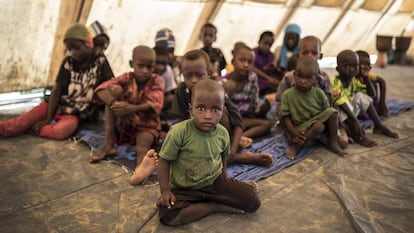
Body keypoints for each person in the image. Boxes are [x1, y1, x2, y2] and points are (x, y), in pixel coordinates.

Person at [156, 79, 261, 225]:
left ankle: (214, 199)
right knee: (168, 215)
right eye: (201, 108)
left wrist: (225, 181)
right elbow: (164, 161)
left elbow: (223, 158)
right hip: (184, 188)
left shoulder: (223, 133)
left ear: (222, 110)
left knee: (253, 201)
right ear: (190, 109)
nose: (207, 115)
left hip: (214, 183)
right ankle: (214, 206)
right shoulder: (178, 132)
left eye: (215, 109)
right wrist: (165, 191)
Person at [0, 23, 113, 139]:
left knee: (59, 132)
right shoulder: (68, 62)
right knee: (20, 122)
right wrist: (48, 118)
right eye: (69, 49)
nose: (73, 52)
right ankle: (10, 128)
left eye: (76, 48)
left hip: (75, 114)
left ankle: (31, 128)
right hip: (53, 106)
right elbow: (57, 90)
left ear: (88, 44)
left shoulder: (101, 62)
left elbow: (111, 84)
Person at [170, 49, 273, 167]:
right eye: (188, 76)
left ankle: (232, 156)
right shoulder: (182, 91)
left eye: (199, 75)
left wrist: (232, 151)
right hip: (195, 137)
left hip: (218, 139)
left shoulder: (216, 91)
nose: (194, 80)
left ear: (208, 73)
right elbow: (180, 122)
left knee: (221, 111)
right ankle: (238, 158)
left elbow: (238, 122)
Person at [90, 45, 164, 185]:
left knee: (142, 146)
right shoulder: (127, 77)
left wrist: (131, 108)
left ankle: (141, 170)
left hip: (147, 126)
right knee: (114, 90)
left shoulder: (157, 80)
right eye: (141, 66)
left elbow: (156, 104)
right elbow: (100, 89)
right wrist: (114, 103)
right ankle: (108, 143)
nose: (145, 71)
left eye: (150, 67)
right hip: (126, 124)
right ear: (132, 64)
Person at [280, 57, 347, 159]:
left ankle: (333, 143)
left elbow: (326, 112)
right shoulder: (287, 95)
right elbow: (285, 117)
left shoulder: (318, 93)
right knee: (318, 126)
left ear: (316, 79)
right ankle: (296, 146)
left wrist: (335, 131)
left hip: (318, 123)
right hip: (301, 128)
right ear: (294, 75)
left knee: (332, 114)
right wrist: (293, 132)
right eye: (299, 76)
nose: (303, 81)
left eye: (308, 78)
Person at [331, 50, 398, 147]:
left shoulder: (353, 81)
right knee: (344, 103)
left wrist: (365, 77)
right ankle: (359, 137)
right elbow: (340, 103)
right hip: (341, 116)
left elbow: (372, 95)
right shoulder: (335, 82)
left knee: (361, 96)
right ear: (337, 69)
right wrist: (355, 121)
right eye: (346, 66)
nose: (351, 69)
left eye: (355, 66)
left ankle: (378, 125)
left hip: (350, 115)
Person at [219, 44, 272, 139]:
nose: (246, 65)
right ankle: (235, 139)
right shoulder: (223, 82)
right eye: (242, 60)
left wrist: (260, 110)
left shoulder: (252, 77)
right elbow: (220, 110)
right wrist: (228, 94)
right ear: (233, 62)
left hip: (243, 118)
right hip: (228, 121)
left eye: (250, 62)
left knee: (267, 124)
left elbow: (254, 102)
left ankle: (240, 138)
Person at [355, 50, 389, 117]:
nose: (366, 67)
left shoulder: (368, 75)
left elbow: (382, 82)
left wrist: (382, 103)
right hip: (358, 102)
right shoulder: (351, 77)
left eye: (368, 64)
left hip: (370, 101)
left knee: (374, 84)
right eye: (362, 64)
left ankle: (375, 107)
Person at [251, 31, 280, 95]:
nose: (267, 47)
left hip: (266, 78)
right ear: (259, 41)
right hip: (257, 78)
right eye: (265, 43)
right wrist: (268, 78)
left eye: (269, 45)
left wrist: (271, 68)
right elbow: (251, 67)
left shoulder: (271, 55)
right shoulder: (252, 53)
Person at [153, 45, 177, 120]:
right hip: (144, 103)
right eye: (157, 63)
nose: (160, 67)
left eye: (164, 64)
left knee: (172, 98)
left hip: (159, 102)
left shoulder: (168, 70)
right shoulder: (146, 71)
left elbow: (168, 93)